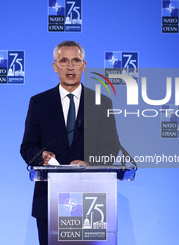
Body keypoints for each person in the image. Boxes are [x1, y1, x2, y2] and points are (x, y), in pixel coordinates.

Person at [20, 41, 120, 245]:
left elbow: (111, 148)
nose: (70, 67)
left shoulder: (101, 102)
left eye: (75, 60)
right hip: (49, 201)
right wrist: (42, 157)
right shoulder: (39, 102)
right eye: (63, 61)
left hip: (91, 201)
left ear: (84, 65)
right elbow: (27, 147)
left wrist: (88, 163)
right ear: (55, 66)